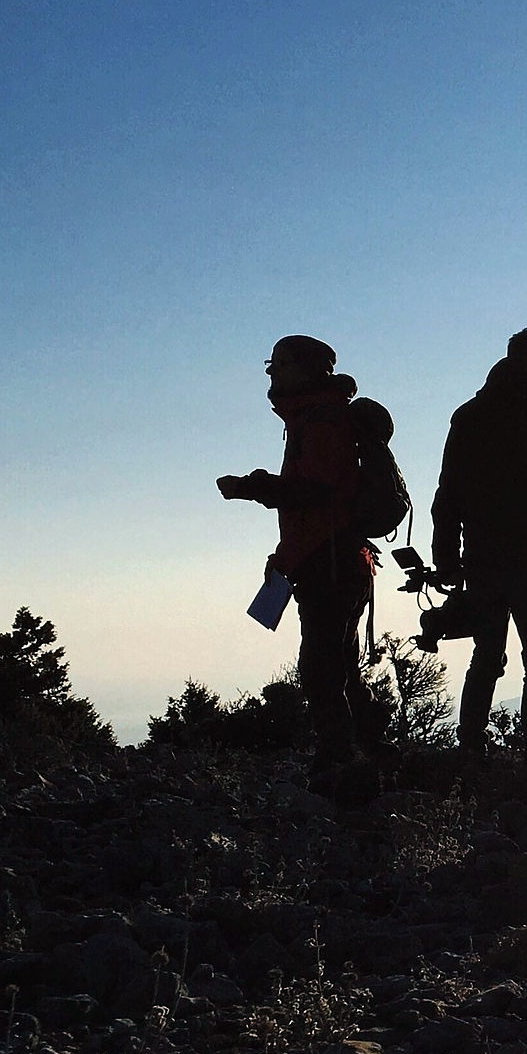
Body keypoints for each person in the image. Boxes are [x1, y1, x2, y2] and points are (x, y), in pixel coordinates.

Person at [217, 335, 387, 783]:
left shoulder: (322, 420)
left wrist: (251, 486)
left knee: (319, 670)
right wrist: (284, 556)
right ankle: (372, 753)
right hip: (334, 559)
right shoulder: (313, 416)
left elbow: (314, 493)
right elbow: (316, 504)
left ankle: (340, 764)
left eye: (280, 363)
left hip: (331, 563)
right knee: (340, 665)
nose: (271, 371)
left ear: (309, 369)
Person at [432, 327, 527, 791]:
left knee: (487, 656)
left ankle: (470, 755)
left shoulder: (470, 414)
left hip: (482, 557)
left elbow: (448, 492)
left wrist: (447, 555)